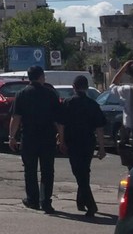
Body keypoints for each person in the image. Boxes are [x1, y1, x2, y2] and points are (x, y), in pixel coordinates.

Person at [8, 65, 64, 213]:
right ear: (41, 77)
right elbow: (58, 120)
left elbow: (16, 118)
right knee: (47, 171)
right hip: (47, 138)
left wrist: (12, 137)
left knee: (30, 170)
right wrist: (61, 138)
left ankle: (32, 200)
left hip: (29, 137)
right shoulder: (50, 94)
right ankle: (46, 201)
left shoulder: (22, 94)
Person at [59, 75, 107, 217]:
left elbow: (61, 124)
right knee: (84, 171)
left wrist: (61, 141)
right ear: (86, 87)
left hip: (73, 141)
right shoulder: (93, 104)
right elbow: (99, 128)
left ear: (74, 87)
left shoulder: (68, 103)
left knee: (79, 172)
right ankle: (81, 201)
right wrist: (102, 147)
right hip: (88, 141)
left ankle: (91, 205)